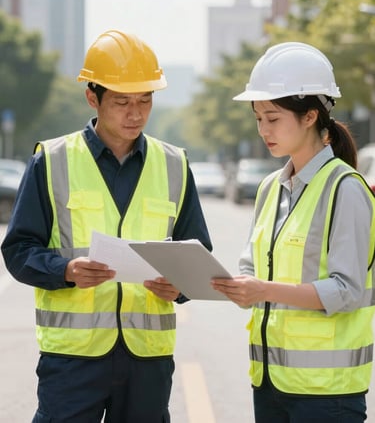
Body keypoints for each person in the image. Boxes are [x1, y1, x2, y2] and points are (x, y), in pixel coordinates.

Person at [1, 30, 212, 423]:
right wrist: (64, 270)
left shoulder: (175, 165)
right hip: (72, 359)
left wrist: (180, 286)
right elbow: (18, 250)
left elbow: (198, 254)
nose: (136, 113)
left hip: (147, 359)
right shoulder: (52, 161)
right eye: (122, 102)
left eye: (145, 100)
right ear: (92, 98)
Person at [211, 42, 375, 422]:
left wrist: (263, 290)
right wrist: (241, 286)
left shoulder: (345, 189)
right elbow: (253, 266)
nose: (263, 130)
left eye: (273, 118)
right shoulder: (271, 187)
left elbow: (347, 291)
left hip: (326, 394)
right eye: (258, 119)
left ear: (309, 116)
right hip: (271, 381)